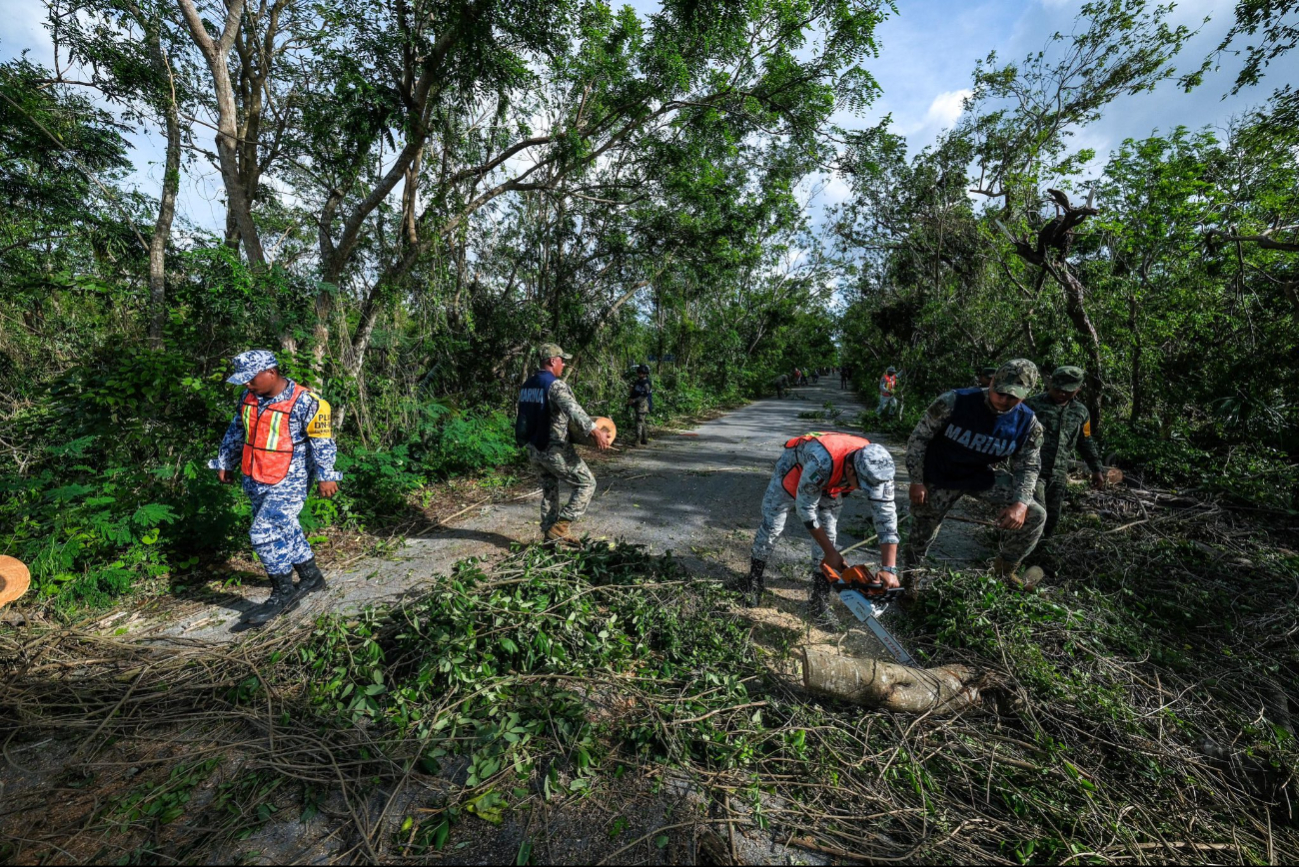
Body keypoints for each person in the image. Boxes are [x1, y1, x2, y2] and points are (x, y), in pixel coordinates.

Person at [210, 350, 341, 626]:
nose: (247, 384)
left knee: (264, 531)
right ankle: (310, 576)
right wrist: (226, 462)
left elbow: (323, 441)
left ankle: (283, 593)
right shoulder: (248, 397)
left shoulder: (306, 402)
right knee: (285, 526)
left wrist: (326, 475)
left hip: (290, 480)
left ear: (271, 372)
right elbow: (236, 430)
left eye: (251, 378)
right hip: (256, 475)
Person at [902, 359, 1047, 590]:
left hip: (980, 476)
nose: (1004, 400)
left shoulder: (1028, 423)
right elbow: (919, 439)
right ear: (991, 383)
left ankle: (1003, 572)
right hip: (940, 475)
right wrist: (917, 480)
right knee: (922, 533)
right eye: (999, 393)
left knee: (1035, 514)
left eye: (1013, 397)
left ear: (1026, 395)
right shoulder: (954, 402)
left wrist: (1020, 503)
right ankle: (910, 579)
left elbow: (1028, 466)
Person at [737, 432, 900, 629]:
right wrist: (831, 553)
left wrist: (889, 569)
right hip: (796, 468)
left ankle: (819, 599)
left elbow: (887, 518)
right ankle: (754, 580)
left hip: (833, 479)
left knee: (829, 532)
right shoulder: (821, 461)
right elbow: (805, 509)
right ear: (850, 469)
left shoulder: (878, 469)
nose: (863, 491)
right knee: (773, 524)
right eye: (862, 486)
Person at [516, 342, 611, 545]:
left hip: (534, 449)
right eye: (562, 360)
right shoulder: (554, 385)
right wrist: (594, 430)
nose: (564, 365)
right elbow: (572, 408)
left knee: (550, 491)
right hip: (553, 449)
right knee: (586, 483)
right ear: (552, 361)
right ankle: (561, 527)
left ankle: (549, 538)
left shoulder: (527, 385)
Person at [1025, 365, 1105, 537]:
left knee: (1052, 518)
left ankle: (1041, 555)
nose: (1061, 394)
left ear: (1078, 389)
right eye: (1058, 389)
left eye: (1067, 391)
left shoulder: (1081, 412)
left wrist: (1096, 469)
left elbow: (1085, 441)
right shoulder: (1031, 405)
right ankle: (1020, 553)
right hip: (1032, 470)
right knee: (1037, 514)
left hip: (1058, 474)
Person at [627, 364, 653, 446]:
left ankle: (638, 440)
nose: (640, 374)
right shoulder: (637, 382)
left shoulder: (646, 384)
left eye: (642, 373)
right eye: (639, 373)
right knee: (642, 422)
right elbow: (634, 392)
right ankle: (644, 439)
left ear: (645, 374)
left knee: (639, 422)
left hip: (643, 405)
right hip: (637, 404)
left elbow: (644, 396)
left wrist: (634, 400)